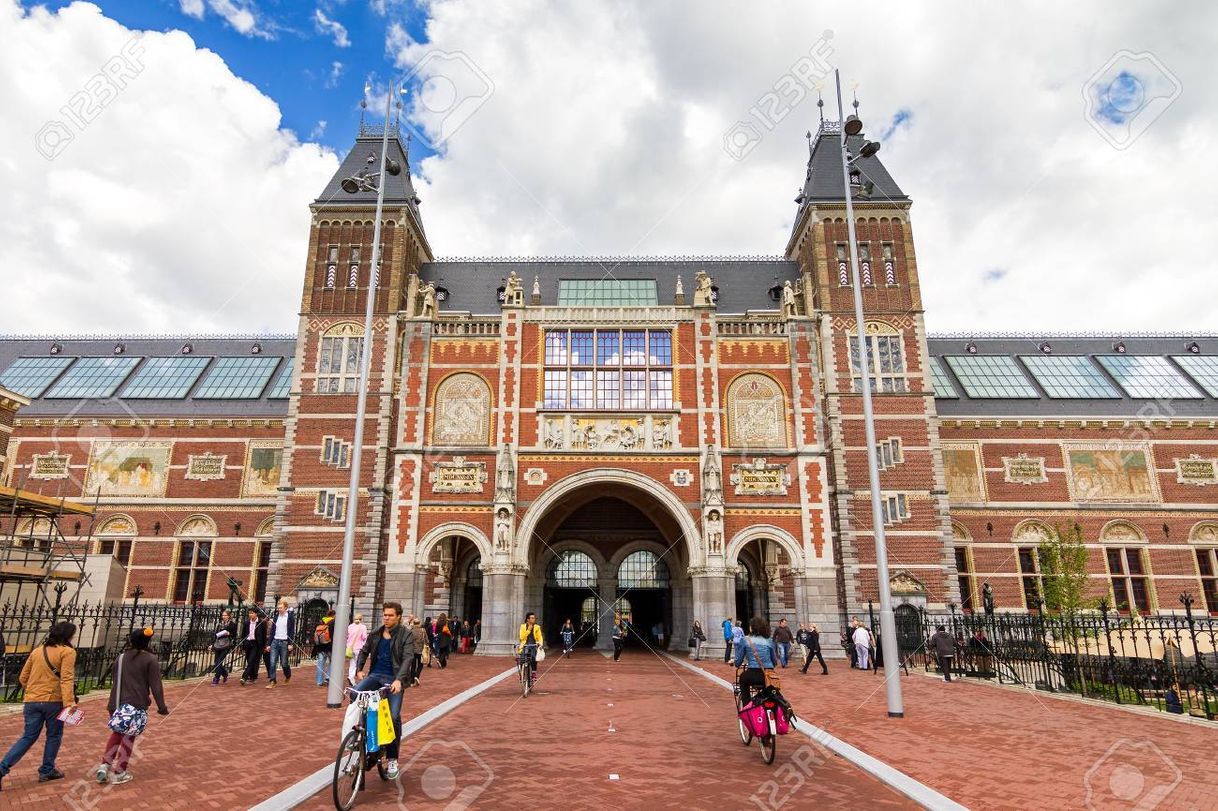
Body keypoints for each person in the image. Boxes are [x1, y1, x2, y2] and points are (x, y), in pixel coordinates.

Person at [0, 621, 77, 790]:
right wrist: (69, 703)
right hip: (53, 701)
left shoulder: (37, 651)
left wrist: (33, 691)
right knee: (54, 735)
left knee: (28, 737)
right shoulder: (67, 652)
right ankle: (46, 770)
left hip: (32, 701)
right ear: (67, 636)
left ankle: (2, 768)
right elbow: (66, 679)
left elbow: (22, 677)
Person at [94, 628, 169, 785]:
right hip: (134, 704)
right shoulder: (150, 659)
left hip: (115, 702)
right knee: (128, 738)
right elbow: (156, 686)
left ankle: (104, 765)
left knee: (116, 734)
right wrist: (162, 706)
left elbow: (115, 678)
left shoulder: (121, 657)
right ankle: (120, 772)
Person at [353, 602, 412, 780]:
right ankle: (357, 735)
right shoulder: (376, 634)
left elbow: (408, 658)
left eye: (390, 615)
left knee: (393, 717)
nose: (386, 618)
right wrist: (359, 669)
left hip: (394, 679)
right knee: (355, 694)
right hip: (375, 676)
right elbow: (364, 652)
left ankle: (392, 758)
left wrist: (399, 680)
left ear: (398, 616)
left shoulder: (405, 634)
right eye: (385, 615)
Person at [733, 616, 777, 706]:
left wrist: (734, 662)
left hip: (752, 674)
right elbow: (774, 662)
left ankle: (747, 707)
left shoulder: (745, 640)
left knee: (743, 679)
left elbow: (738, 662)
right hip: (768, 675)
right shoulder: (769, 641)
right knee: (770, 692)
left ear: (752, 627)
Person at [266, 599, 295, 688]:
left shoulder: (290, 617)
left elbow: (291, 631)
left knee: (284, 663)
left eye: (281, 608)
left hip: (285, 642)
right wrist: (269, 644)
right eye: (278, 608)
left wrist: (290, 643)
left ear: (285, 608)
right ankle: (273, 680)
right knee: (272, 662)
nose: (279, 609)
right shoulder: (276, 617)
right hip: (275, 641)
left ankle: (288, 675)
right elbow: (272, 631)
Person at [239, 608, 269, 685]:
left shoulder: (261, 623)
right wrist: (243, 644)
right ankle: (253, 676)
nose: (250, 615)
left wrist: (264, 646)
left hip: (256, 644)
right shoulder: (246, 623)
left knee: (252, 660)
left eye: (252, 613)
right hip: (248, 643)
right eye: (249, 613)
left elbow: (264, 635)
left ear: (256, 614)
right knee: (250, 661)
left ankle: (244, 677)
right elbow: (243, 634)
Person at [210, 609, 238, 685]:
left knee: (219, 662)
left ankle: (216, 678)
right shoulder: (219, 624)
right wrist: (212, 645)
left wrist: (229, 634)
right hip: (218, 644)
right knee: (216, 662)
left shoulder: (232, 625)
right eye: (223, 615)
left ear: (229, 616)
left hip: (226, 645)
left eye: (225, 615)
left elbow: (235, 635)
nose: (223, 617)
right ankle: (225, 673)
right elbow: (215, 635)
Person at [313, 606, 336, 687]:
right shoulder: (334, 622)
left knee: (320, 663)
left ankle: (319, 681)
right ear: (334, 615)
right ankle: (327, 677)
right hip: (330, 646)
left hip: (320, 646)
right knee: (333, 662)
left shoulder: (321, 621)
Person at [518, 612, 544, 678]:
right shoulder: (523, 627)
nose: (534, 619)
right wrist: (528, 630)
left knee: (534, 658)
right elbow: (522, 637)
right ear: (528, 619)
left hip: (533, 645)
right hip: (524, 645)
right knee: (522, 660)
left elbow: (540, 637)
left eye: (534, 618)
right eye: (532, 618)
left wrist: (540, 644)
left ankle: (534, 672)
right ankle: (522, 674)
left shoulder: (537, 627)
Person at [346, 612, 369, 685]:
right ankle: (352, 677)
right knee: (357, 664)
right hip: (358, 648)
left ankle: (351, 678)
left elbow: (347, 636)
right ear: (361, 619)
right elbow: (364, 637)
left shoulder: (350, 626)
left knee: (352, 663)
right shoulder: (363, 627)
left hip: (350, 647)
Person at [407, 617, 425, 686]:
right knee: (420, 665)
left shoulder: (411, 631)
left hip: (413, 650)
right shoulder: (423, 630)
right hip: (421, 650)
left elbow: (408, 641)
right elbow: (426, 640)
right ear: (419, 623)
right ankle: (416, 676)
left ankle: (412, 681)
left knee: (413, 666)